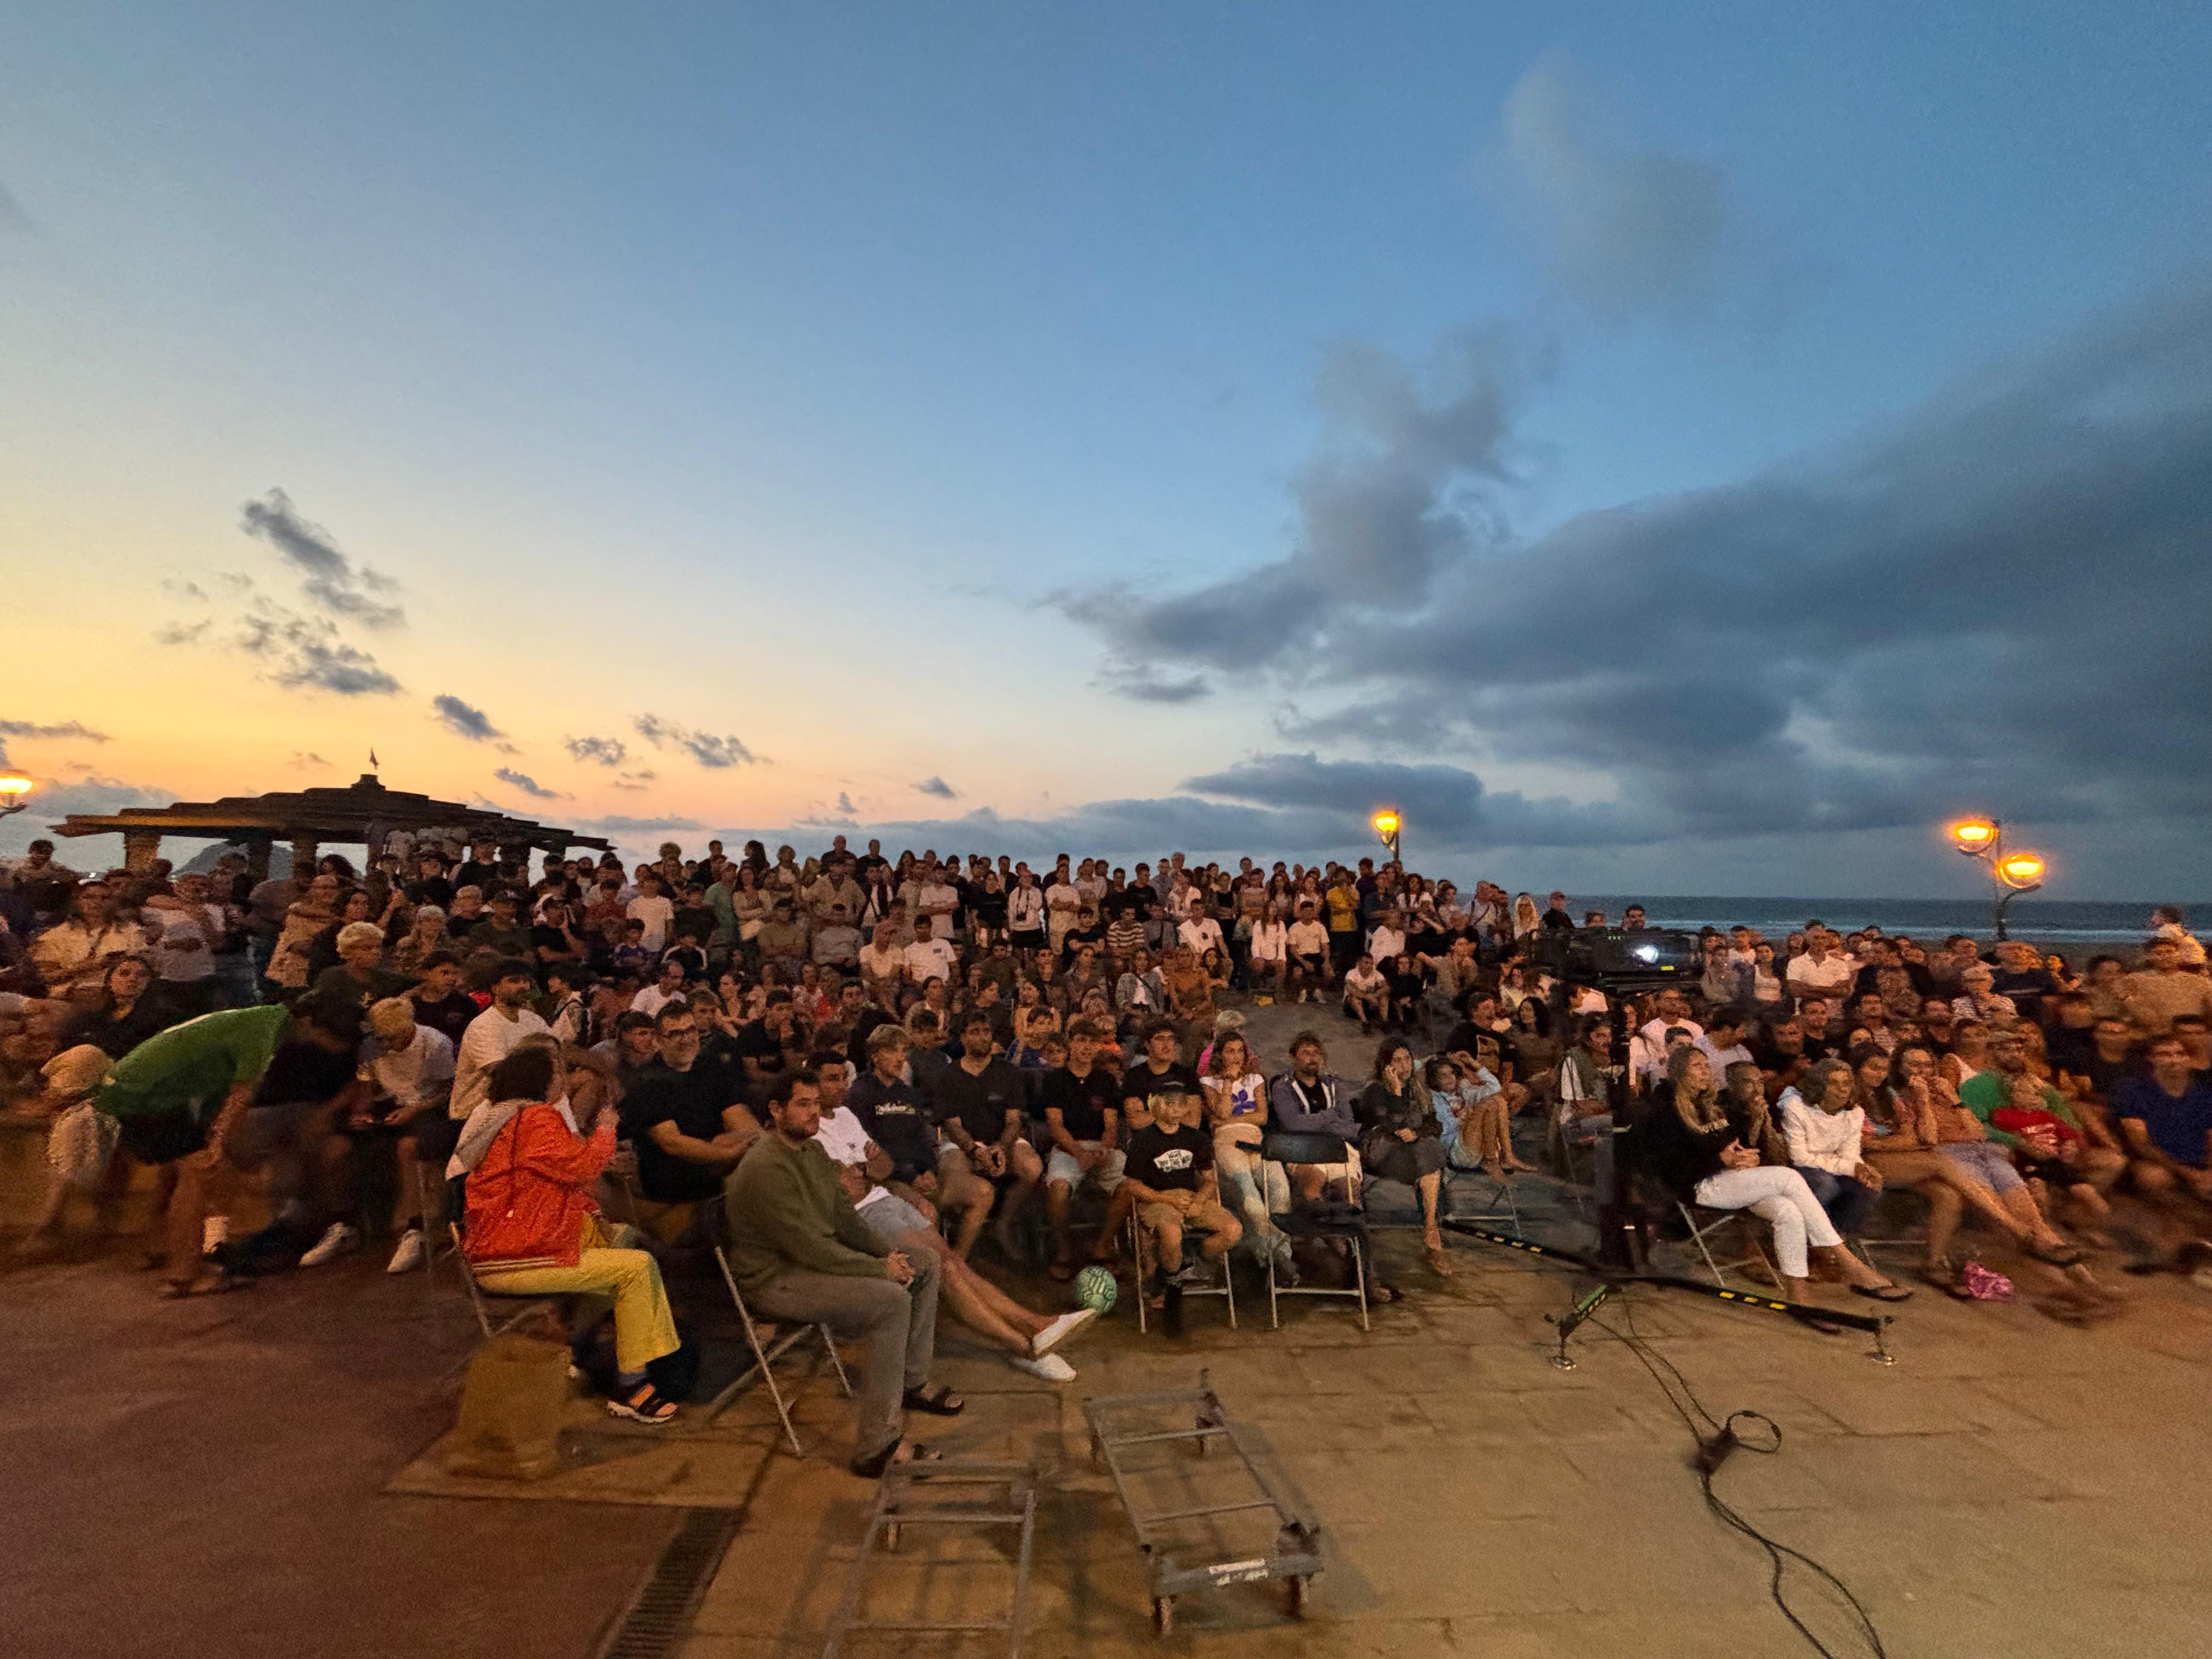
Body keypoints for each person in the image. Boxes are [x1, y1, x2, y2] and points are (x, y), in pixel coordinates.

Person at [722, 1071, 957, 1476]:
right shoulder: (766, 1165)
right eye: (803, 1104)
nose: (814, 1112)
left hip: (810, 1263)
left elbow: (843, 1219)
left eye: (816, 1104)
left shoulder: (811, 1153)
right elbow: (808, 1247)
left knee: (925, 1262)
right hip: (775, 1279)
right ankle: (876, 1448)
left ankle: (911, 1381)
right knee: (890, 1302)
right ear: (776, 1111)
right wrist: (877, 1268)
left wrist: (890, 1254)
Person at [90, 990, 366, 1296]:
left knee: (179, 1173)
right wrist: (217, 1144)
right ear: (309, 1022)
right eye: (335, 1036)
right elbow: (240, 1097)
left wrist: (211, 1134)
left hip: (140, 1092)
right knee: (199, 1174)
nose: (338, 1046)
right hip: (144, 1098)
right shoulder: (263, 1030)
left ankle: (164, 1251)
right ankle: (183, 1275)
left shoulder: (262, 1020)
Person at [464, 1045, 683, 1426]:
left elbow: (551, 1179)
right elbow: (582, 1168)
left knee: (624, 1237)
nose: (567, 1078)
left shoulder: (511, 1119)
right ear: (544, 1081)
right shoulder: (534, 1118)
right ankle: (632, 1386)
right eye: (561, 1071)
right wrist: (607, 1130)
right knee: (637, 1267)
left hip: (520, 1242)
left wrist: (589, 1205)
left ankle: (577, 1348)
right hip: (515, 1255)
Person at [1637, 1047, 1909, 1309]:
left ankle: (1798, 1294)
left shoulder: (1709, 1106)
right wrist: (1723, 1160)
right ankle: (1847, 1261)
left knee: (1788, 1211)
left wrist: (1747, 1155)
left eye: (1707, 1065)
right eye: (1697, 1066)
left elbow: (1729, 1144)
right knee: (1789, 1177)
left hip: (1733, 1179)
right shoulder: (1667, 1112)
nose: (1706, 1071)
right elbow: (1673, 1168)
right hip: (1700, 1186)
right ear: (1679, 1072)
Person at [621, 1005, 763, 1243]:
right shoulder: (646, 1082)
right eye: (676, 1034)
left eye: (691, 1031)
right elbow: (672, 1143)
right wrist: (726, 1153)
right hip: (673, 1175)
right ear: (660, 1040)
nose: (686, 1039)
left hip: (718, 1161)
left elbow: (738, 1116)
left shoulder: (711, 1067)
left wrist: (759, 1144)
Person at [928, 1010, 1043, 1257]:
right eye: (975, 1032)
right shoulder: (948, 1076)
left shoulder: (1009, 1073)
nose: (982, 1037)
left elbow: (1014, 1120)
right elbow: (952, 1125)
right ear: (963, 1038)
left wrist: (1000, 1147)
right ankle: (959, 1253)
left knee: (1032, 1167)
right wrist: (975, 1151)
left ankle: (1004, 1224)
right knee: (958, 1176)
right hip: (963, 1143)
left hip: (1001, 1139)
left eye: (986, 1032)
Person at [357, 996, 458, 1271]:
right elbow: (367, 1087)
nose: (387, 1045)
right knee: (354, 1143)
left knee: (410, 1147)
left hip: (431, 1107)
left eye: (393, 1038)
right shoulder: (372, 1047)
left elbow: (447, 1090)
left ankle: (417, 1224)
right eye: (383, 1038)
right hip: (392, 1104)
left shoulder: (434, 1043)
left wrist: (416, 1109)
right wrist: (362, 1112)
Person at [1119, 1082, 1240, 1307]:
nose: (1174, 1109)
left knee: (1233, 1230)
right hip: (1157, 1196)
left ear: (1186, 1108)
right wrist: (1166, 1199)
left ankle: (1194, 1258)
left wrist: (1199, 1200)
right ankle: (1170, 1279)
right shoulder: (1143, 1140)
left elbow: (1209, 1180)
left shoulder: (1197, 1138)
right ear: (1156, 1105)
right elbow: (1133, 1185)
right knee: (1171, 1232)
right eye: (1168, 1103)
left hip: (1190, 1195)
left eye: (1179, 1104)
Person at [2111, 1035, 2212, 1266]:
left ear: (2190, 1060)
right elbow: (2141, 1143)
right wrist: (2189, 1173)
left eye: (2180, 1054)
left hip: (2198, 1162)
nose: (2174, 1060)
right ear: (2151, 1059)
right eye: (2164, 1054)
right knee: (2154, 1178)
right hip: (2155, 1162)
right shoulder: (2133, 1090)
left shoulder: (2205, 1095)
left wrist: (2209, 1171)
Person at [1037, 1016, 1125, 1279]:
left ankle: (1103, 1246)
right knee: (1059, 1189)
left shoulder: (1106, 1081)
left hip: (1101, 1147)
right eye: (1081, 1041)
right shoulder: (1055, 1080)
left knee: (1129, 1186)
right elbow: (1055, 1125)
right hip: (1068, 1148)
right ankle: (1064, 1250)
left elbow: (1111, 1125)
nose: (1086, 1047)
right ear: (1070, 1045)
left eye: (1092, 1042)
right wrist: (1079, 1152)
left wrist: (1105, 1148)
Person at [1356, 1040, 1452, 1276]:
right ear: (1386, 1065)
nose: (1404, 1065)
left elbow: (1434, 1124)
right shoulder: (1376, 1090)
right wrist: (1397, 1091)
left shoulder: (1419, 1088)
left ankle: (1431, 1229)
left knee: (1428, 1150)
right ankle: (1432, 1231)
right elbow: (1391, 1124)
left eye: (1407, 1059)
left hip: (1412, 1152)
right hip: (1380, 1150)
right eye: (1397, 1060)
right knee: (1429, 1158)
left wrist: (1416, 1133)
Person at [1776, 1057, 1883, 1237]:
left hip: (1833, 1166)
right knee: (1826, 1185)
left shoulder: (1855, 1113)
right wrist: (1851, 1167)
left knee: (1868, 1189)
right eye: (1834, 1084)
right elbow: (1800, 1157)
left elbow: (1850, 1153)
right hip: (1798, 1168)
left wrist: (1860, 1169)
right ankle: (1807, 1237)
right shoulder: (1796, 1107)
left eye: (1847, 1083)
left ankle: (1836, 1238)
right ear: (1819, 1086)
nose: (1842, 1090)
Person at [451, 960, 551, 1123]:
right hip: (478, 1112)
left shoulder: (533, 1020)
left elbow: (561, 1051)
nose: (523, 986)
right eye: (514, 981)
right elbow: (501, 1074)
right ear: (495, 988)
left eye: (526, 981)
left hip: (524, 1101)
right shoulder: (484, 1025)